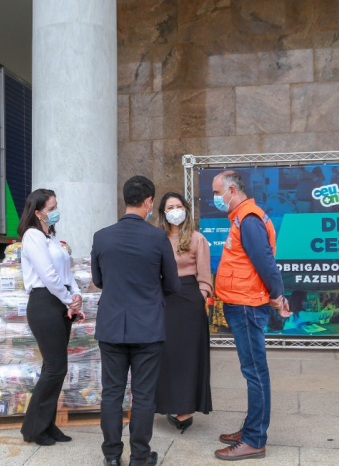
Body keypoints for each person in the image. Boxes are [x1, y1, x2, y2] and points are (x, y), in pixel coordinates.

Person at [92, 176, 180, 466]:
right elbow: (173, 284)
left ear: (126, 199)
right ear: (148, 202)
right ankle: (140, 457)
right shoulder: (158, 238)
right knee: (143, 396)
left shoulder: (101, 236)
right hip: (148, 327)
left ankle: (112, 457)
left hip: (112, 325)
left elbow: (98, 280)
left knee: (112, 393)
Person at [211, 170, 289, 461]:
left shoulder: (249, 219)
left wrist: (278, 296)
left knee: (255, 373)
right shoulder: (243, 217)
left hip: (246, 307)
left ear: (232, 190)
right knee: (253, 371)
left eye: (217, 192)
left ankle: (255, 439)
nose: (215, 198)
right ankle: (249, 430)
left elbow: (266, 263)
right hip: (241, 304)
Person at [18, 188, 83, 447]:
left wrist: (75, 295)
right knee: (56, 368)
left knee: (53, 368)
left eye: (56, 206)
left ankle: (47, 424)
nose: (56, 212)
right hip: (45, 303)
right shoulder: (32, 236)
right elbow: (47, 275)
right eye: (51, 208)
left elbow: (66, 272)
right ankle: (33, 428)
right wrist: (68, 299)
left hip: (60, 303)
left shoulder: (51, 237)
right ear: (38, 213)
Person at [153, 192, 213, 433]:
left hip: (189, 301)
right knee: (166, 354)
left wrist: (201, 297)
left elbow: (205, 277)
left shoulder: (198, 239)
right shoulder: (156, 239)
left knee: (189, 356)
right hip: (163, 300)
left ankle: (186, 408)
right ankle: (166, 402)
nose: (175, 210)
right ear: (163, 212)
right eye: (170, 207)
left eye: (179, 206)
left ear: (186, 210)